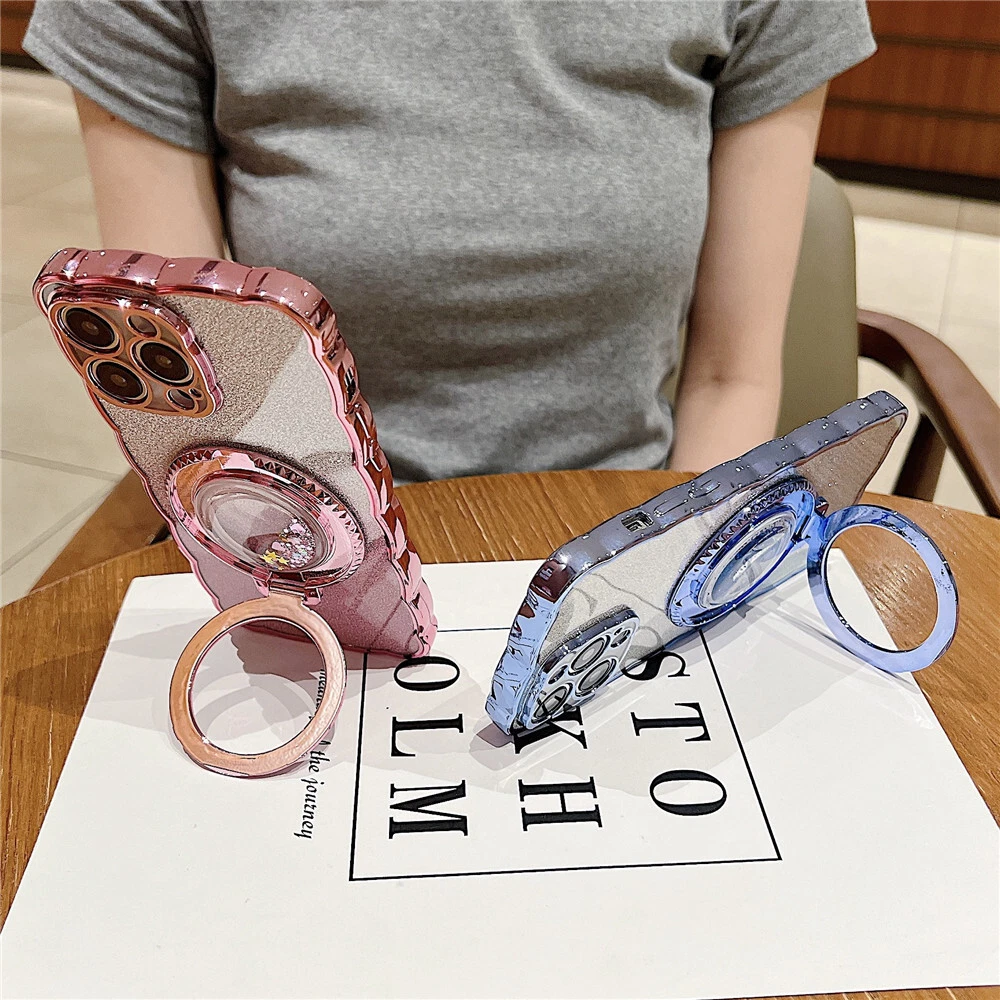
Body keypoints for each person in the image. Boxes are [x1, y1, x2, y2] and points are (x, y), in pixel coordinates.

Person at [25, 0, 874, 483]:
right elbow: (201, 403)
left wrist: (657, 582)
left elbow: (732, 377)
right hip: (309, 536)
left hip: (621, 524)